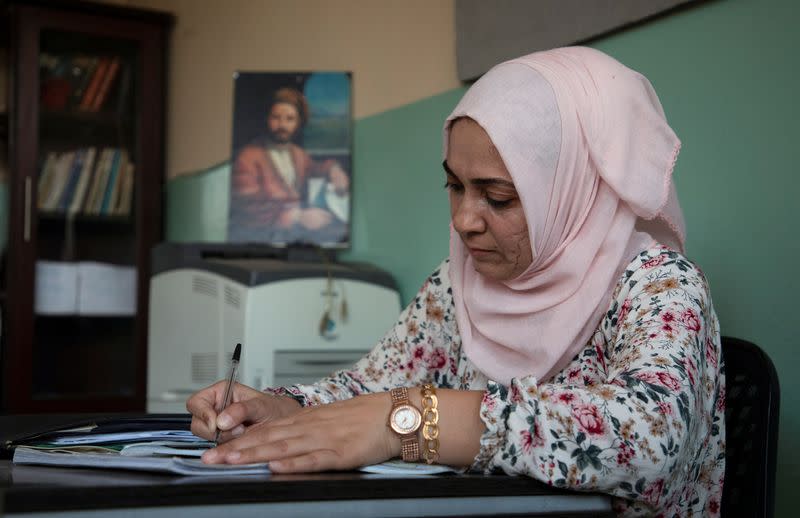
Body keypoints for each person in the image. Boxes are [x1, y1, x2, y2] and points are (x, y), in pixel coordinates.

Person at [189, 47, 724, 517]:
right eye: (455, 186)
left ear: (571, 189)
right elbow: (373, 387)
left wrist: (414, 419)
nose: (465, 220)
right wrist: (286, 409)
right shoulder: (459, 282)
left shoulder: (658, 285)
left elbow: (649, 439)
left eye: (498, 197)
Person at [229, 86, 350, 244]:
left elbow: (316, 168)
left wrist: (334, 170)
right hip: (263, 240)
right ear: (267, 119)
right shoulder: (248, 157)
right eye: (276, 117)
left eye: (290, 119)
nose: (282, 125)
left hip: (294, 235)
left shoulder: (298, 154)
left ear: (298, 122)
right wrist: (297, 217)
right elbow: (247, 207)